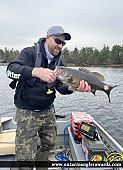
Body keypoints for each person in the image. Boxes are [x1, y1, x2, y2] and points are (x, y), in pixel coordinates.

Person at [6, 26, 91, 170]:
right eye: (58, 41)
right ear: (47, 38)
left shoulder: (59, 64)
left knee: (49, 143)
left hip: (48, 110)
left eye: (63, 43)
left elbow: (61, 87)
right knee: (25, 155)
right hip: (27, 111)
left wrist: (74, 88)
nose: (60, 45)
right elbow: (11, 70)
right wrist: (35, 72)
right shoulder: (29, 53)